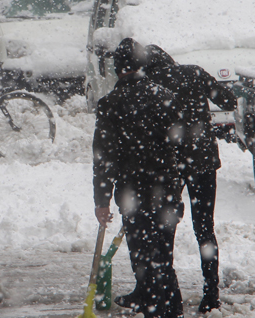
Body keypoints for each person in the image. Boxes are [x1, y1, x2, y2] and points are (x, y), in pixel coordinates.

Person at [93, 38, 184, 317]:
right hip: (167, 192)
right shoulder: (167, 97)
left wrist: (102, 200)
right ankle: (169, 307)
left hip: (133, 194)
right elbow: (180, 147)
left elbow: (104, 158)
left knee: (143, 257)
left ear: (117, 69)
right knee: (163, 255)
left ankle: (159, 309)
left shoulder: (111, 104)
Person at [144, 44, 234, 313]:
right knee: (204, 228)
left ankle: (169, 294)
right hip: (203, 159)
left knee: (165, 228)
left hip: (169, 163)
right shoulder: (194, 73)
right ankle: (211, 294)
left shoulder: (150, 84)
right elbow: (228, 101)